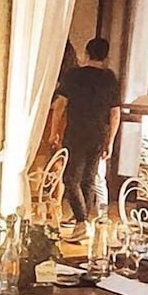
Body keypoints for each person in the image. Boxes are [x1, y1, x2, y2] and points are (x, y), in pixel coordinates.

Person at [50, 37, 121, 238]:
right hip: (99, 133)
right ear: (106, 56)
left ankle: (81, 222)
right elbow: (115, 113)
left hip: (76, 131)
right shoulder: (110, 78)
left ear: (86, 53)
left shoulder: (74, 75)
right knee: (88, 179)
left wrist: (53, 131)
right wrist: (111, 141)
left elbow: (60, 105)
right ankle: (82, 222)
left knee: (70, 178)